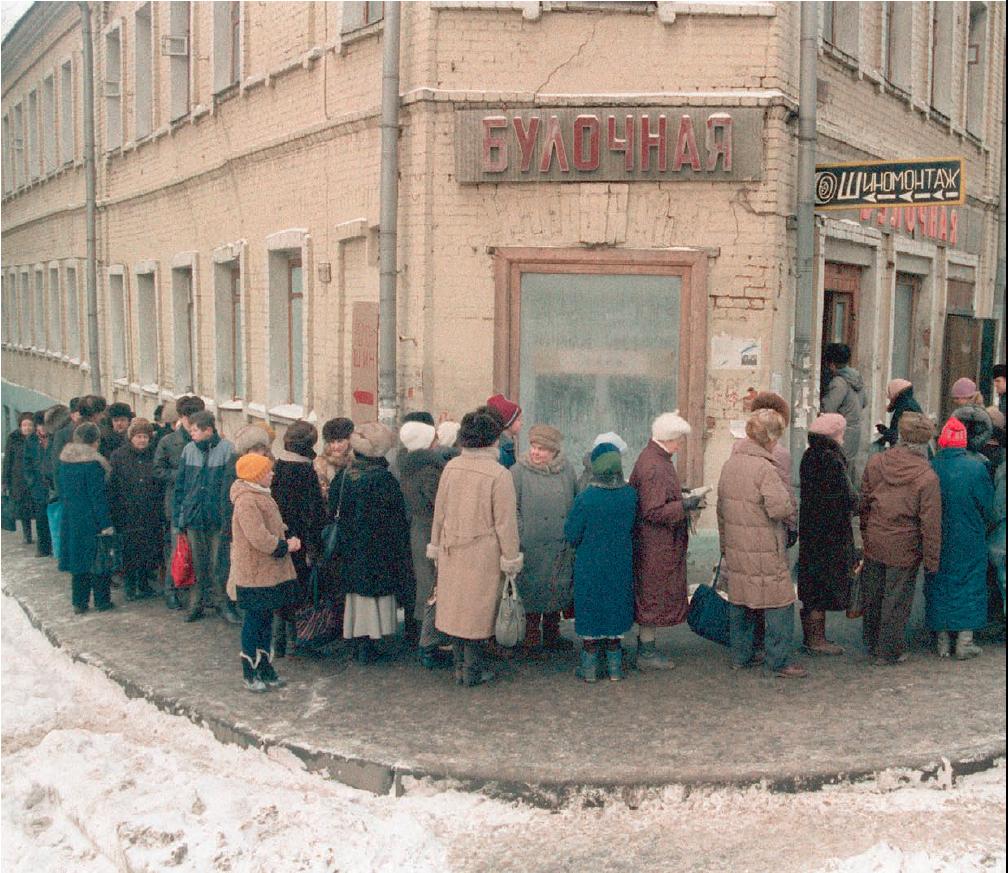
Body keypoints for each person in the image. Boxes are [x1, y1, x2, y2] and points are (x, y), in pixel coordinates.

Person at [429, 407, 523, 687]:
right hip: (483, 553)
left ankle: (459, 667)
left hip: (451, 548)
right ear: (492, 440)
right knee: (476, 615)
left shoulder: (451, 467)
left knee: (455, 612)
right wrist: (511, 558)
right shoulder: (498, 474)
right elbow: (506, 523)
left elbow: (440, 512)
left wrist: (435, 545)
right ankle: (471, 670)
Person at [717, 409, 807, 678]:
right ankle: (778, 660)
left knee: (741, 599)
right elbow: (780, 508)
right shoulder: (765, 469)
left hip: (736, 544)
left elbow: (721, 508)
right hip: (765, 546)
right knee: (780, 602)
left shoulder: (730, 464)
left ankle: (740, 655)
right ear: (770, 438)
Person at [859, 412, 942, 665]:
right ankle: (888, 650)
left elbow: (864, 501)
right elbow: (930, 522)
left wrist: (865, 533)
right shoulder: (927, 478)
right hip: (905, 545)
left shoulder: (876, 463)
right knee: (897, 599)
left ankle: (872, 642)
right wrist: (931, 560)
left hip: (876, 537)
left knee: (873, 593)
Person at [628, 411, 702, 669]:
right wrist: (685, 505)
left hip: (656, 541)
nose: (680, 445)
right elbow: (653, 510)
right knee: (651, 595)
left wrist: (680, 498)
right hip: (656, 543)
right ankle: (646, 652)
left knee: (651, 594)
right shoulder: (656, 466)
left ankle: (646, 648)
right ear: (670, 439)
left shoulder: (653, 459)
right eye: (679, 440)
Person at [334, 422, 412, 664]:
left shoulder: (345, 475)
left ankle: (359, 641)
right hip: (378, 552)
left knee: (357, 599)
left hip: (350, 549)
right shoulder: (383, 481)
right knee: (372, 600)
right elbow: (396, 520)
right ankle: (369, 642)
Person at [226, 454, 300, 692]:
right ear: (256, 475)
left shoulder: (260, 495)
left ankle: (265, 668)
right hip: (255, 573)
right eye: (268, 471)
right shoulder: (247, 500)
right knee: (254, 621)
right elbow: (257, 536)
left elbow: (269, 525)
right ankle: (250, 671)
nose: (272, 474)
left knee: (266, 619)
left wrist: (284, 532)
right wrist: (284, 545)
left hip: (266, 572)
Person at [564, 442, 637, 682]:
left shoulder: (587, 498)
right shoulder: (630, 496)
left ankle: (589, 667)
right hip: (620, 563)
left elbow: (572, 533)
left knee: (591, 609)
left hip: (590, 564)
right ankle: (615, 666)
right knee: (616, 606)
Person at [926, 416, 996, 659]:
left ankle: (942, 640)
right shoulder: (976, 468)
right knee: (970, 583)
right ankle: (965, 640)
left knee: (938, 581)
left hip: (938, 533)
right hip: (969, 533)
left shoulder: (932, 466)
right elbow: (988, 505)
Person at [511, 424, 578, 654]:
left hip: (559, 542)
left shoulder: (566, 470)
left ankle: (552, 632)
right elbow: (512, 507)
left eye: (542, 449)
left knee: (556, 586)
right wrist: (522, 532)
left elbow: (575, 500)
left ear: (554, 451)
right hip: (531, 544)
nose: (536, 452)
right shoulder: (518, 472)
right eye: (533, 446)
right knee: (531, 588)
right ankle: (530, 634)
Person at [399, 420, 458, 668]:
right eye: (433, 438)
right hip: (430, 532)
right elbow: (440, 505)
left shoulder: (408, 466)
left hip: (418, 529)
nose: (437, 442)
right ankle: (429, 645)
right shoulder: (429, 471)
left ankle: (424, 640)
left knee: (426, 584)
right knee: (432, 587)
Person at [796, 413, 856, 655]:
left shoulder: (810, 455)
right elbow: (845, 497)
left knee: (812, 584)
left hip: (812, 528)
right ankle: (816, 640)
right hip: (831, 532)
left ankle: (812, 637)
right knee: (821, 585)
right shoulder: (831, 460)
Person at [173, 409, 238, 623]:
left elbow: (230, 486)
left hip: (217, 517)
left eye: (194, 430)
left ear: (208, 430)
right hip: (194, 516)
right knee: (198, 564)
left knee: (219, 563)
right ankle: (197, 603)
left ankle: (223, 603)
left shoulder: (227, 450)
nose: (191, 434)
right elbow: (181, 486)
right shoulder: (189, 450)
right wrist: (179, 516)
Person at [271, 421, 326, 656]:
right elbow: (313, 513)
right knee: (299, 590)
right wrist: (316, 545)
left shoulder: (278, 466)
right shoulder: (305, 472)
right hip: (300, 539)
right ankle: (299, 639)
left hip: (279, 536)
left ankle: (278, 641)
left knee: (280, 587)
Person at [57, 423, 115, 614]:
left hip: (71, 518)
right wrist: (106, 524)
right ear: (95, 442)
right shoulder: (93, 464)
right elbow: (97, 497)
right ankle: (102, 601)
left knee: (78, 562)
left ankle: (79, 602)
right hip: (91, 520)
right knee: (98, 560)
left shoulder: (65, 461)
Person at [153, 396, 203, 609]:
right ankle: (171, 589)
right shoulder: (169, 442)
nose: (192, 423)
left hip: (200, 502)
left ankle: (199, 591)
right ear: (181, 418)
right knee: (178, 548)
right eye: (189, 418)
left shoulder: (204, 438)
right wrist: (181, 475)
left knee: (200, 550)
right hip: (177, 501)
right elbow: (157, 470)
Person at [108, 418, 164, 601]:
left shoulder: (153, 455)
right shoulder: (119, 456)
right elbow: (113, 485)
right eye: (138, 436)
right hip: (127, 511)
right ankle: (130, 586)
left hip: (149, 511)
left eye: (145, 437)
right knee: (129, 550)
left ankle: (144, 584)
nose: (142, 440)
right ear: (131, 437)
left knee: (148, 549)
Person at [821, 342, 866, 472]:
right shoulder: (857, 378)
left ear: (831, 364)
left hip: (840, 433)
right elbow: (864, 402)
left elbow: (828, 409)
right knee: (847, 470)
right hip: (855, 431)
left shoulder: (839, 382)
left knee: (837, 471)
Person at [21, 410, 53, 556]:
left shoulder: (53, 438)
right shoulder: (31, 441)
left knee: (54, 514)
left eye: (44, 425)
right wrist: (32, 482)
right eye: (39, 425)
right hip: (38, 485)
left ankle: (54, 544)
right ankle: (43, 547)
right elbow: (26, 463)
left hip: (52, 484)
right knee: (40, 517)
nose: (42, 428)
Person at [3, 412, 38, 545]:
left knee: (37, 507)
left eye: (30, 425)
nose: (27, 428)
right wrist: (5, 481)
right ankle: (27, 535)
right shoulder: (13, 438)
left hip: (34, 477)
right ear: (20, 426)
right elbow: (8, 461)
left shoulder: (36, 439)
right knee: (23, 509)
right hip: (18, 479)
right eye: (24, 425)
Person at [314, 417, 354, 500]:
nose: (336, 446)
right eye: (332, 442)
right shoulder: (321, 463)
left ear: (349, 440)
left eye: (340, 441)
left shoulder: (356, 461)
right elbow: (318, 494)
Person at [875, 379, 923, 448]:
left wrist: (885, 432)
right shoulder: (907, 404)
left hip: (908, 451)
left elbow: (899, 435)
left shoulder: (905, 408)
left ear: (896, 393)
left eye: (890, 393)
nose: (888, 397)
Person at [486, 394, 522, 469]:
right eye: (518, 420)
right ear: (508, 422)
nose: (522, 423)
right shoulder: (501, 451)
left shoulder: (510, 442)